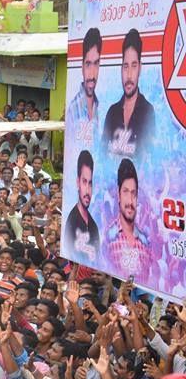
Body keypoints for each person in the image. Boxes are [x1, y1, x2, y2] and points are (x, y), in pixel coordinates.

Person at [103, 29, 154, 159]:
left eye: (134, 66)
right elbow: (101, 155)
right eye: (126, 66)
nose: (129, 75)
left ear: (140, 68)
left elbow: (150, 159)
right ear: (121, 69)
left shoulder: (147, 111)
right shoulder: (112, 112)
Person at [102, 158, 151, 281]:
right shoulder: (108, 238)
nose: (130, 201)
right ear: (118, 195)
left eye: (134, 193)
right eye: (125, 192)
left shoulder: (145, 241)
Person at [67, 27, 102, 144]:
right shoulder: (73, 109)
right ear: (82, 67)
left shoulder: (100, 108)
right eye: (88, 64)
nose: (92, 74)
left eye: (96, 64)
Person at [65, 149, 100, 263]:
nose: (87, 190)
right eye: (84, 182)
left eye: (90, 183)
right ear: (77, 182)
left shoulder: (93, 226)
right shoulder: (72, 222)